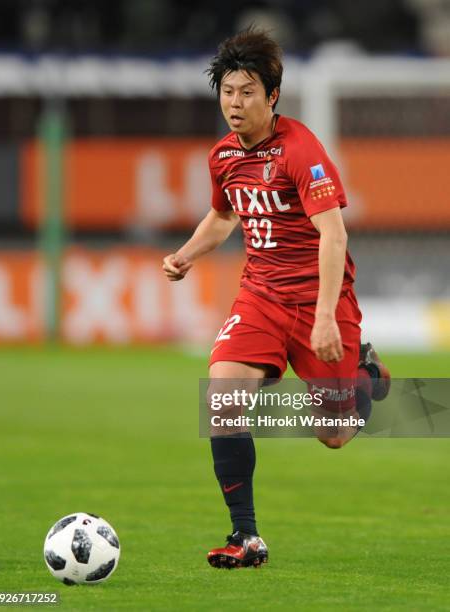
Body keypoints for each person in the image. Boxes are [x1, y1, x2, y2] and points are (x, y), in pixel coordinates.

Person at [162, 27, 390, 569]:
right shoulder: (222, 157)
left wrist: (327, 320)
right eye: (227, 92)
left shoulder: (301, 150)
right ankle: (246, 537)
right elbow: (222, 217)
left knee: (334, 436)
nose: (234, 104)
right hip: (260, 295)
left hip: (319, 300)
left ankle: (363, 373)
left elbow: (334, 235)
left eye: (246, 93)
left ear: (272, 97)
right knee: (222, 395)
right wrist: (188, 254)